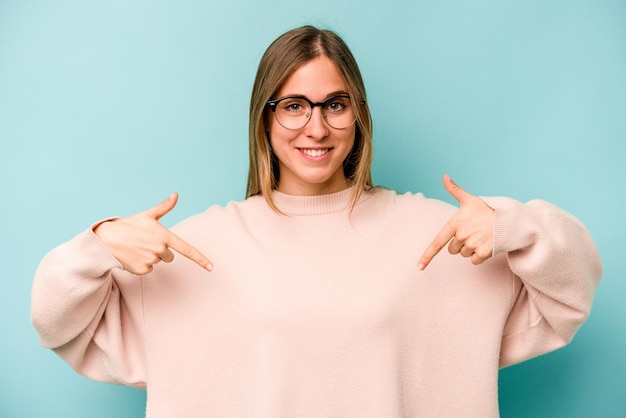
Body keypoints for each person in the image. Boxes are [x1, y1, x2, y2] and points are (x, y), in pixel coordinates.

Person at [31, 25, 602, 417]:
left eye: (335, 103)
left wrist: (517, 226)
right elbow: (57, 323)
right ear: (265, 116)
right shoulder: (192, 249)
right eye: (294, 105)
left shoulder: (440, 237)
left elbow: (571, 293)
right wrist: (99, 244)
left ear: (357, 113)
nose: (317, 127)